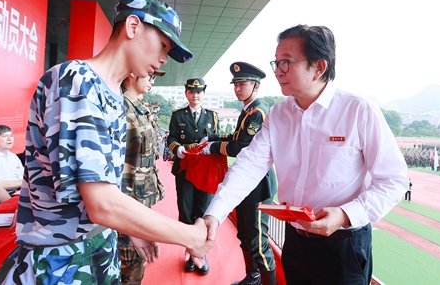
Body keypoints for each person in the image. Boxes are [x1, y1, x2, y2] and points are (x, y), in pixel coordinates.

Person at [0, 0, 213, 284]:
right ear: (132, 27)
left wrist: (134, 229)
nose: (162, 59)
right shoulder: (77, 80)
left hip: (97, 245)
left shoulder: (110, 93)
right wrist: (190, 236)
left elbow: (103, 185)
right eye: (162, 45)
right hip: (61, 258)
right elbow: (101, 202)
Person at [203, 25, 410, 285]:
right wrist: (213, 215)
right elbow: (248, 166)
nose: (277, 71)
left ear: (319, 67)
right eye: (276, 63)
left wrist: (345, 214)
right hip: (297, 242)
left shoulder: (358, 110)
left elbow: (393, 181)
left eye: (286, 63)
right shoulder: (278, 115)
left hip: (344, 248)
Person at [200, 62, 278, 285]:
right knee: (244, 236)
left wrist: (212, 147)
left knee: (259, 242)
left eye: (242, 84)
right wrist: (214, 138)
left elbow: (239, 147)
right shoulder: (247, 111)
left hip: (258, 185)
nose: (237, 89)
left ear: (256, 86)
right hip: (244, 184)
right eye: (235, 84)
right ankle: (252, 277)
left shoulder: (258, 113)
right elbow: (235, 138)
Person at [167, 77, 219, 275]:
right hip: (185, 168)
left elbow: (214, 139)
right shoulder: (178, 116)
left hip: (205, 169)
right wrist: (177, 147)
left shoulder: (212, 116)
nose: (195, 95)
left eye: (198, 92)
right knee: (186, 209)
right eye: (191, 91)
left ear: (203, 94)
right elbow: (171, 137)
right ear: (186, 93)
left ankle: (200, 252)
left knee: (203, 209)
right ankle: (189, 252)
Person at [119, 71, 166, 284]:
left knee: (136, 258)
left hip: (141, 191)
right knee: (130, 259)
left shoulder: (139, 105)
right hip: (129, 198)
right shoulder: (122, 108)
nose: (152, 81)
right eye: (149, 75)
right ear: (132, 75)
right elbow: (120, 170)